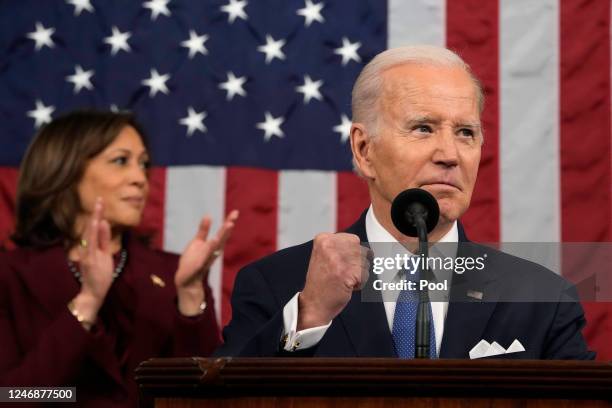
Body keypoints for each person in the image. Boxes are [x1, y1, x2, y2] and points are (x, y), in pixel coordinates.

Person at [215, 45, 595, 360]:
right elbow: (225, 403)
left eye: (465, 132)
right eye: (423, 128)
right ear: (364, 149)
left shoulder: (542, 299)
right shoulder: (277, 285)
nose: (450, 154)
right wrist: (310, 316)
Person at [0, 110, 239, 406]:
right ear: (66, 169)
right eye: (121, 161)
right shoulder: (11, 275)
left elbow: (205, 398)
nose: (140, 178)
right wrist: (86, 303)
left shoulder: (173, 272)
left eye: (144, 164)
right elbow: (12, 397)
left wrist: (190, 294)